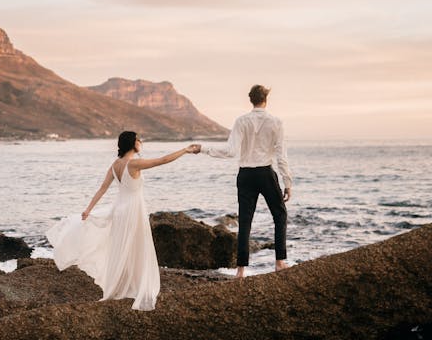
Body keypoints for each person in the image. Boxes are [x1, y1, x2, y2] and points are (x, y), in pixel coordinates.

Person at [48, 132, 201, 310]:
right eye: (138, 139)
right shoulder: (134, 163)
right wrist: (185, 150)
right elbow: (163, 160)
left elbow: (102, 188)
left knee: (122, 248)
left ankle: (122, 286)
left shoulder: (115, 165)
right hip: (133, 211)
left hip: (120, 210)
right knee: (136, 247)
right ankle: (133, 286)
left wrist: (88, 209)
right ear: (132, 143)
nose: (140, 142)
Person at [205, 85, 292, 279]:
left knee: (245, 221)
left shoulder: (241, 121)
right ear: (266, 99)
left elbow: (230, 151)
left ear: (251, 100)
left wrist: (204, 149)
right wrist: (287, 182)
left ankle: (240, 271)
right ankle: (280, 262)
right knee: (280, 215)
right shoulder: (276, 122)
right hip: (265, 173)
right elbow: (281, 155)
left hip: (245, 175)